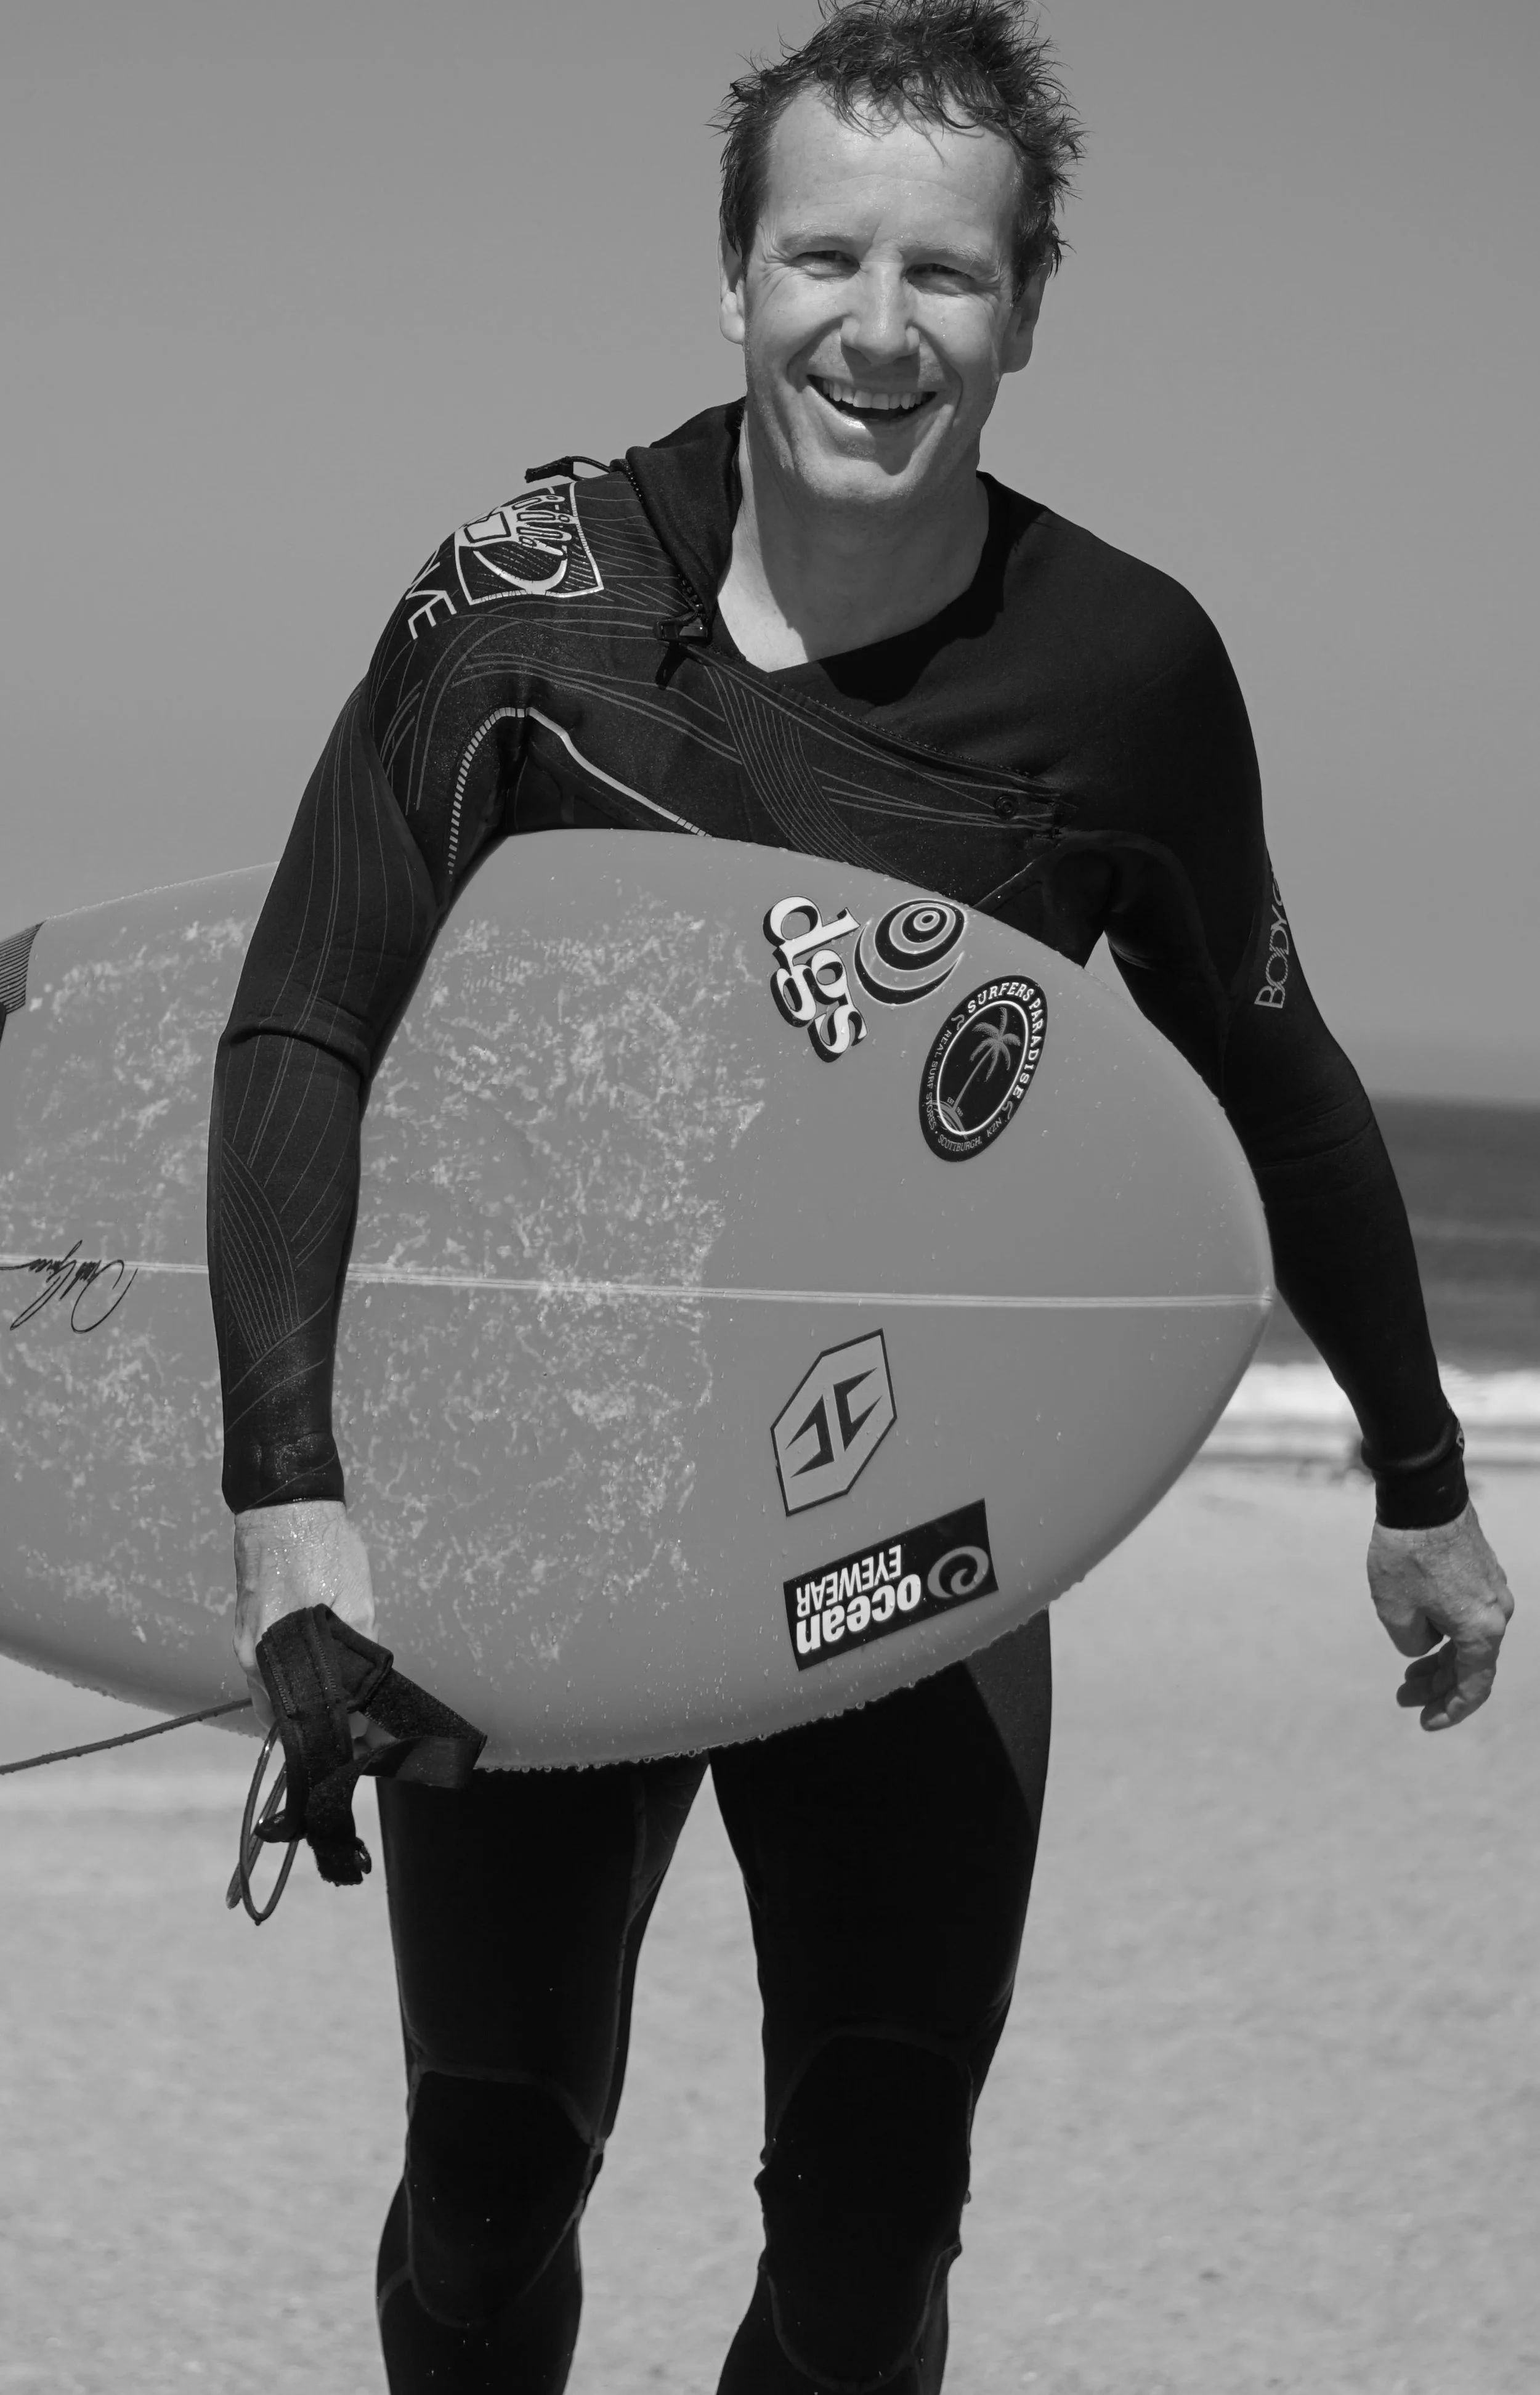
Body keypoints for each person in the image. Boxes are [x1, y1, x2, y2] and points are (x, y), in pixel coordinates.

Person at [208, 4, 1515, 2388]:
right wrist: (289, 1493)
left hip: (914, 1521)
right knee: (488, 2184)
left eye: (947, 271)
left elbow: (1273, 1072)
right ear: (733, 274)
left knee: (870, 2236)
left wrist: (1419, 1480)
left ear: (1026, 308)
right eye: (824, 257)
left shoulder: (1123, 673)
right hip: (552, 1499)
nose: (878, 329)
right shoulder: (519, 609)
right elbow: (307, 1017)